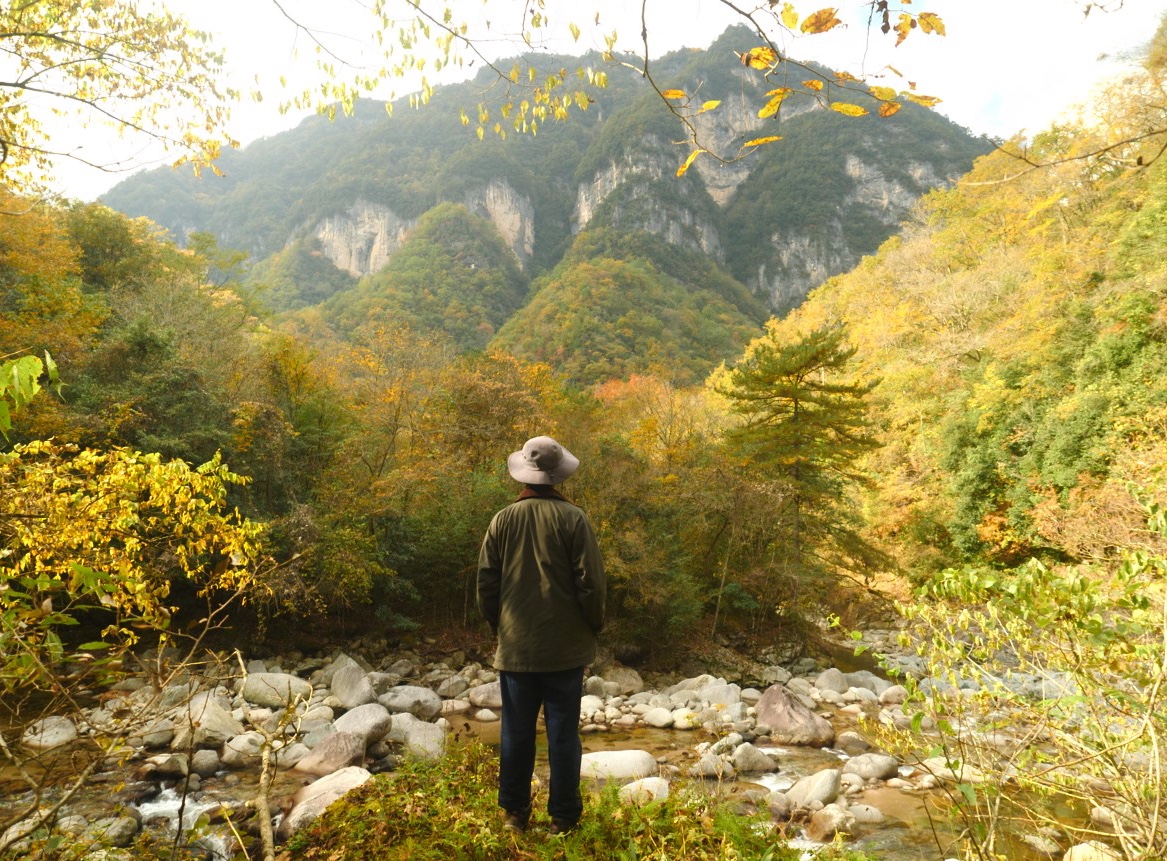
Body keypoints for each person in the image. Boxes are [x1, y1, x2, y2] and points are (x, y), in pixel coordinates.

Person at [476, 435, 606, 835]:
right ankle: (563, 819)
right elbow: (592, 585)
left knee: (516, 734)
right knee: (563, 736)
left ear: (524, 474)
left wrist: (499, 627)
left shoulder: (502, 519)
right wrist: (592, 626)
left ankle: (515, 815)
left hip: (516, 648)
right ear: (557, 475)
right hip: (566, 649)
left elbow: (486, 584)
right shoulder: (574, 519)